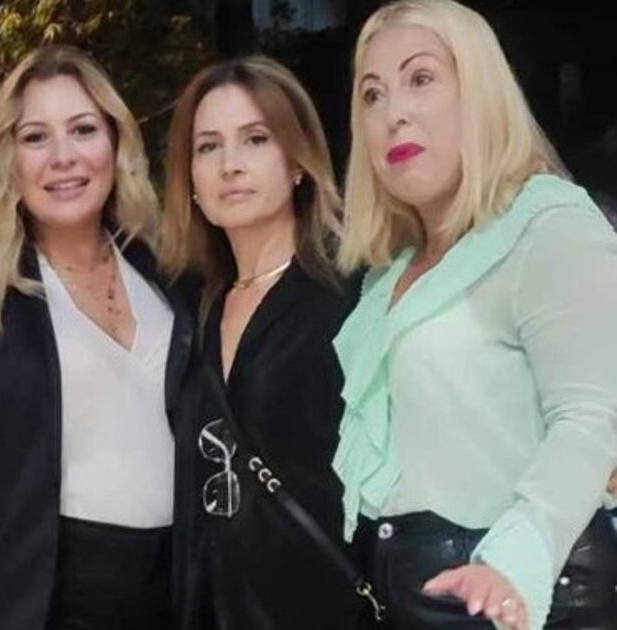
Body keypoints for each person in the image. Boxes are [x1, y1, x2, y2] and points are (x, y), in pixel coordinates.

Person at [335, 1, 617, 628]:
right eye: (372, 94)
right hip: (405, 589)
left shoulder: (548, 224)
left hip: (520, 595)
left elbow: (590, 418)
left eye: (421, 78)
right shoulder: (388, 275)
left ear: (481, 92)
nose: (393, 112)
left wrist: (515, 559)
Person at [0, 45, 195, 630]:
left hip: (178, 592)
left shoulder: (167, 273)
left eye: (83, 129)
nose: (63, 157)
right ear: (9, 161)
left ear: (115, 143)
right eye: (36, 137)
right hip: (48, 603)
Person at [160, 56, 373, 629]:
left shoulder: (353, 295)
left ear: (298, 162)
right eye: (208, 147)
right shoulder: (188, 308)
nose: (230, 165)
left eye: (255, 139)